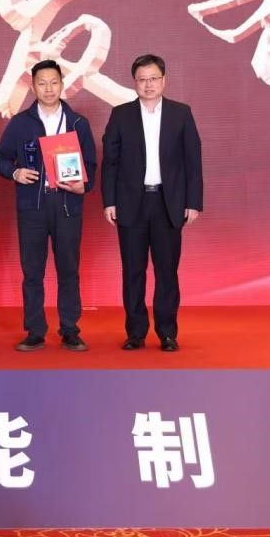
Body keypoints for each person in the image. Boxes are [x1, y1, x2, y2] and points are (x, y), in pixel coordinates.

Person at [0, 59, 97, 352]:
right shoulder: (21, 122)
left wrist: (84, 185)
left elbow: (91, 164)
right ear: (33, 86)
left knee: (69, 270)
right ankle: (35, 331)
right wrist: (15, 172)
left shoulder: (78, 123)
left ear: (62, 85)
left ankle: (70, 330)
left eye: (54, 82)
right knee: (32, 272)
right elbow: (1, 157)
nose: (48, 88)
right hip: (33, 206)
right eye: (42, 83)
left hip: (67, 205)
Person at [101, 54, 203, 352]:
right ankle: (135, 333)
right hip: (130, 203)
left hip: (168, 204)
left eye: (154, 78)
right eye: (142, 79)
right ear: (134, 82)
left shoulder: (180, 114)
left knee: (166, 271)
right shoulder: (121, 114)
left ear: (164, 80)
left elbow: (193, 161)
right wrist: (110, 201)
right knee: (133, 271)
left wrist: (193, 202)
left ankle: (167, 333)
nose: (148, 84)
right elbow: (110, 162)